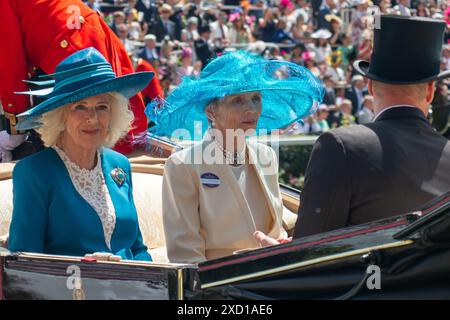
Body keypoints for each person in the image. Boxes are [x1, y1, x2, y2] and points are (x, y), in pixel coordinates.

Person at [255, 15, 450, 245]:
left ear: (369, 86)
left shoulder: (341, 145)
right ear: (429, 92)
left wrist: (278, 255)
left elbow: (308, 253)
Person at [150, 51, 324, 263]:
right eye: (237, 100)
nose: (251, 108)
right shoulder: (183, 165)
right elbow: (186, 254)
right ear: (211, 111)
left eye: (255, 98)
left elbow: (277, 227)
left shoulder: (266, 155)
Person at [8, 48, 154, 261]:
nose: (92, 117)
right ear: (60, 116)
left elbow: (138, 249)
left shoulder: (120, 164)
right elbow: (25, 260)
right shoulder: (33, 172)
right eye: (80, 107)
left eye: (102, 107)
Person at [0, 0, 152, 160]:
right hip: (89, 29)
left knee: (60, 137)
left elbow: (10, 61)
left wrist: (15, 129)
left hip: (65, 47)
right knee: (103, 114)